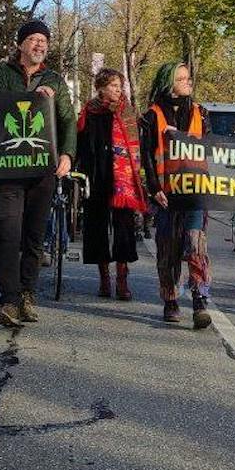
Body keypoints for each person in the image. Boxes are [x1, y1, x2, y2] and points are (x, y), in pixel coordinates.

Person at [0, 19, 75, 328]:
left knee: (34, 237)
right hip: (7, 169)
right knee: (9, 236)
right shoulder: (1, 75)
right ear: (21, 44)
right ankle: (8, 301)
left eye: (44, 40)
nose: (39, 45)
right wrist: (35, 100)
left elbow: (67, 121)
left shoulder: (56, 81)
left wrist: (67, 154)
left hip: (42, 170)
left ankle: (27, 295)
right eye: (34, 39)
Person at [140, 61, 211, 329]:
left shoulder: (201, 114)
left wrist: (181, 137)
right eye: (182, 79)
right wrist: (154, 189)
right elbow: (147, 156)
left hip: (194, 192)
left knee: (196, 244)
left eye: (188, 78)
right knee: (168, 248)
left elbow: (209, 147)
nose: (188, 82)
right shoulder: (151, 116)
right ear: (170, 84)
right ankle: (171, 300)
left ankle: (200, 300)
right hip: (166, 195)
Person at [74, 67, 144, 302]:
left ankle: (122, 278)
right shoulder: (89, 112)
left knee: (124, 226)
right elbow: (81, 144)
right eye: (113, 85)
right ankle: (104, 277)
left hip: (122, 179)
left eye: (119, 85)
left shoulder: (127, 112)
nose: (117, 89)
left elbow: (137, 148)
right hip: (97, 175)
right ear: (101, 88)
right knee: (97, 225)